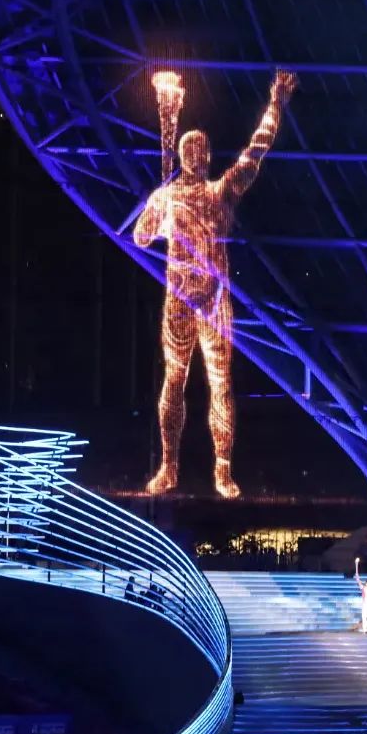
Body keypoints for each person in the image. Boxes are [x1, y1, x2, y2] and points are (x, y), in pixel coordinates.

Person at [135, 69, 298, 499]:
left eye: (203, 150)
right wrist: (156, 208)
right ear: (184, 156)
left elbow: (256, 150)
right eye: (192, 150)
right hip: (179, 300)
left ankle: (222, 470)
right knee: (175, 380)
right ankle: (169, 467)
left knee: (221, 383)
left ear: (207, 156)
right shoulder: (167, 196)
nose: (198, 155)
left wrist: (275, 104)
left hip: (213, 301)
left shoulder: (219, 193)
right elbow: (141, 237)